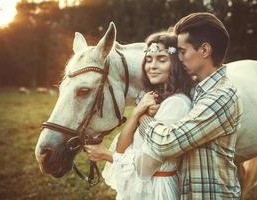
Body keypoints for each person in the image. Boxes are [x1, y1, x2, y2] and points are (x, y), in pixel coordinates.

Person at [136, 12, 243, 199]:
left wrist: (142, 117)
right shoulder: (195, 89)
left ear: (204, 50)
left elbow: (167, 143)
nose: (178, 58)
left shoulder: (222, 96)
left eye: (182, 51)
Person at [85, 32, 193, 199]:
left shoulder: (177, 104)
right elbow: (122, 148)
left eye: (162, 59)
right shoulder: (152, 100)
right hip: (141, 188)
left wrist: (106, 155)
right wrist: (136, 113)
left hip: (158, 190)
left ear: (176, 64)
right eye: (148, 60)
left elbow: (145, 166)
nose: (152, 66)